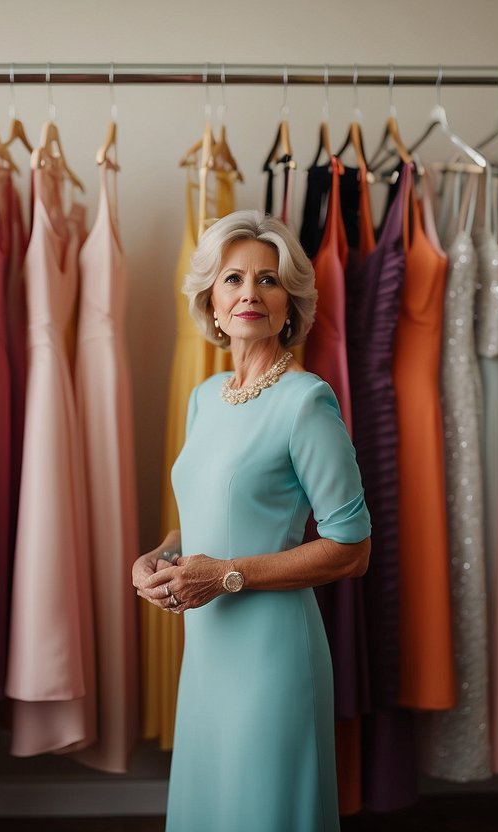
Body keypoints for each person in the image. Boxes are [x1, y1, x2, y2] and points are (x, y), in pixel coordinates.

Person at [133, 210, 371, 832]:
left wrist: (226, 576)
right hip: (207, 653)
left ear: (289, 303)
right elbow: (215, 514)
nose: (249, 294)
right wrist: (160, 554)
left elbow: (352, 549)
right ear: (212, 301)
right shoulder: (204, 398)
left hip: (273, 659)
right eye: (234, 279)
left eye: (268, 281)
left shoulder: (306, 402)